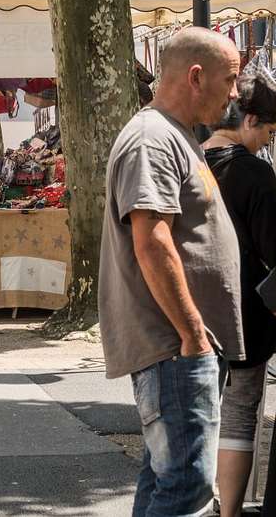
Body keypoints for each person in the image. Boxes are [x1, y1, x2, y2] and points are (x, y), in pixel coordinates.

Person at [98, 27, 243, 517]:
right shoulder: (153, 139)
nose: (236, 92)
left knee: (168, 479)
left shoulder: (172, 136)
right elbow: (152, 242)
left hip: (179, 348)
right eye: (231, 79)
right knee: (186, 489)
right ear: (196, 77)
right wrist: (193, 334)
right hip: (174, 347)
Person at [201, 69, 276, 517]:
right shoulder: (256, 175)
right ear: (249, 120)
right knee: (240, 410)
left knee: (197, 412)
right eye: (268, 130)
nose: (268, 139)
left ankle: (199, 499)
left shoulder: (189, 160)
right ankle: (229, 510)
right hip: (247, 313)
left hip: (188, 309)